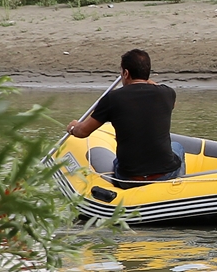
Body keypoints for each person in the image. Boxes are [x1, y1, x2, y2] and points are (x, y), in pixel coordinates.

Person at [67, 49, 184, 186]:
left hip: (129, 177)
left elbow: (82, 132)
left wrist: (73, 127)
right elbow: (172, 103)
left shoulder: (112, 98)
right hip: (164, 174)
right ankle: (177, 187)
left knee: (118, 160)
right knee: (177, 147)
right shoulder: (167, 94)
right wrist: (146, 79)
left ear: (126, 73)